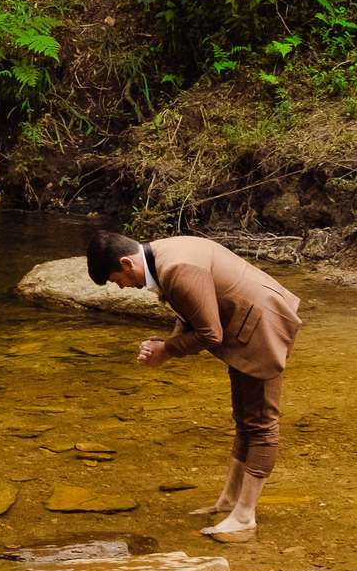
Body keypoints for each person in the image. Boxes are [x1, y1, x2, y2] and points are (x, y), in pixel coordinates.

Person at [88, 231, 302, 544]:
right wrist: (166, 344)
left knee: (262, 425)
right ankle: (229, 501)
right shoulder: (162, 254)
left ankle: (244, 517)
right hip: (247, 322)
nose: (121, 286)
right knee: (244, 421)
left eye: (116, 279)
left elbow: (210, 334)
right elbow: (192, 311)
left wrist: (167, 350)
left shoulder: (177, 269)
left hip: (262, 326)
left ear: (126, 263)